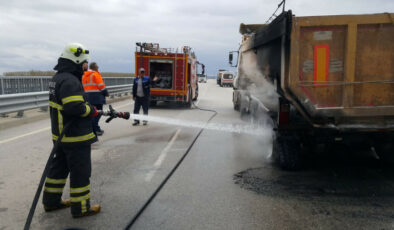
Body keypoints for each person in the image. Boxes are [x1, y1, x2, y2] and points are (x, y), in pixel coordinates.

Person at [43, 42, 101, 218]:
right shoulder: (70, 80)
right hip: (75, 137)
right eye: (84, 62)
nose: (85, 66)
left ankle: (51, 202)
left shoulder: (58, 78)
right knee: (80, 173)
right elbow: (74, 107)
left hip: (60, 137)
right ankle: (81, 208)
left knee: (58, 169)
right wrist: (90, 110)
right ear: (76, 60)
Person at [82, 62, 109, 136]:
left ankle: (94, 129)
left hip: (87, 97)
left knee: (92, 113)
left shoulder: (84, 75)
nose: (98, 67)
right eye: (97, 66)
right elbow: (101, 85)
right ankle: (95, 130)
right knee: (97, 113)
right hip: (97, 97)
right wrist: (106, 93)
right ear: (95, 67)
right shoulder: (95, 74)